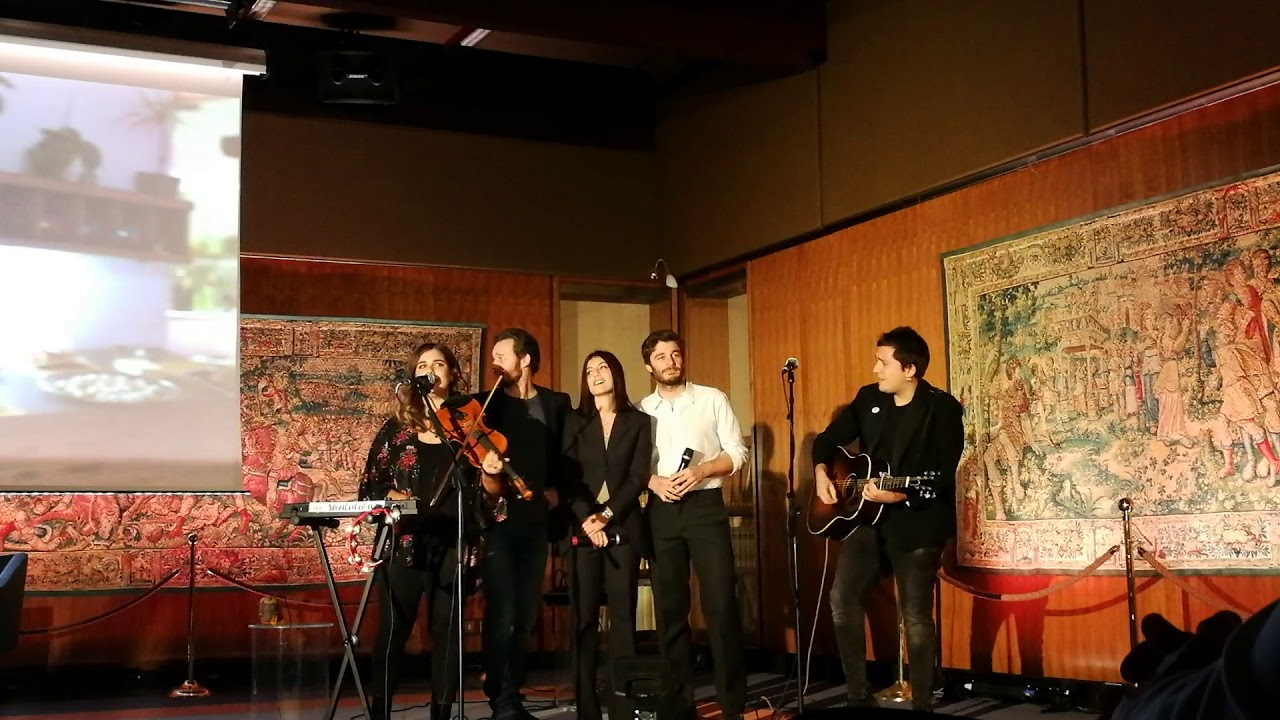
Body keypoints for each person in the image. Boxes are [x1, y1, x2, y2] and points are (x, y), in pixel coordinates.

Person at [811, 326, 964, 711]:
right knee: (842, 599)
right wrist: (821, 472)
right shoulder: (868, 399)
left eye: (883, 362)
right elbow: (826, 441)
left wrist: (900, 493)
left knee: (915, 616)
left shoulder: (942, 409)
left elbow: (941, 477)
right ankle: (858, 697)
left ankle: (923, 704)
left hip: (917, 522)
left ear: (909, 370)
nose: (875, 369)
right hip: (867, 519)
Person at [359, 342, 500, 720]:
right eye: (423, 365)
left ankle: (442, 713)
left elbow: (489, 495)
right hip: (405, 541)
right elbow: (371, 486)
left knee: (448, 633)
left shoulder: (468, 427)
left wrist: (492, 473)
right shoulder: (395, 430)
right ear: (414, 376)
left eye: (439, 364)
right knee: (393, 632)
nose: (431, 370)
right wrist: (394, 497)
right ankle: (380, 712)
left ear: (451, 374)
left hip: (453, 542)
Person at [638, 329, 749, 720]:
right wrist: (653, 482)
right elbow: (632, 466)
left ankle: (732, 704)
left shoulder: (712, 398)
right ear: (648, 366)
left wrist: (701, 471)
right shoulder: (641, 410)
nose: (671, 362)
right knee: (670, 610)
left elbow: (737, 453)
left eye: (675, 354)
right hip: (662, 510)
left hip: (705, 507)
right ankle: (678, 704)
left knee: (721, 605)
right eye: (661, 357)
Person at [476, 328, 572, 720]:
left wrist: (560, 492)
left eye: (502, 356)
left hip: (537, 521)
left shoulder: (556, 403)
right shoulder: (487, 405)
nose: (495, 363)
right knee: (503, 611)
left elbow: (568, 456)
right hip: (499, 521)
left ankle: (510, 691)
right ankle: (502, 699)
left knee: (527, 612)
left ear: (525, 359)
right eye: (493, 357)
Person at [561, 350, 654, 720]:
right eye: (589, 370)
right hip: (582, 527)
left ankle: (623, 707)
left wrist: (606, 516)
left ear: (616, 373)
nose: (596, 374)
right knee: (583, 620)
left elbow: (637, 477)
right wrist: (588, 518)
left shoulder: (638, 421)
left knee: (623, 618)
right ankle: (587, 709)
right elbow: (567, 477)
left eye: (602, 368)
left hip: (622, 526)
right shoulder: (574, 421)